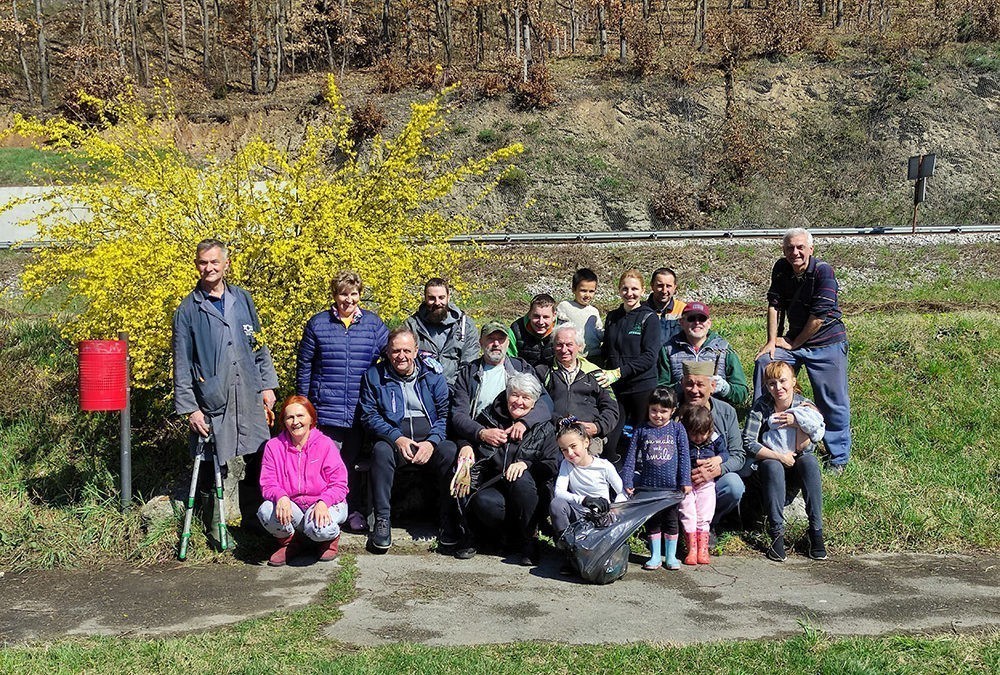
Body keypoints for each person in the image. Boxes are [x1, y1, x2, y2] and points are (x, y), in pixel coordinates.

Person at [173, 238, 278, 545]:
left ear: (226, 264)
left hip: (248, 390)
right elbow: (181, 362)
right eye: (203, 262)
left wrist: (268, 385)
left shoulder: (242, 299)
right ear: (197, 265)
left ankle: (255, 521)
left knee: (258, 456)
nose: (209, 268)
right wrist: (190, 408)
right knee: (208, 462)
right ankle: (213, 528)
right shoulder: (188, 309)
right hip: (211, 398)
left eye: (214, 262)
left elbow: (258, 344)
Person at [297, 271, 388, 532]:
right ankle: (319, 511)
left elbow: (390, 353)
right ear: (334, 295)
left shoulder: (372, 324)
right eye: (343, 294)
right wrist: (303, 405)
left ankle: (353, 510)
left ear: (360, 295)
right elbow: (305, 364)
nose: (348, 300)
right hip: (326, 409)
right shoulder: (318, 324)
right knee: (326, 464)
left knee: (353, 463)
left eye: (353, 294)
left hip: (360, 409)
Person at [754, 227, 851, 473]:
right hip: (794, 341)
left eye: (799, 247)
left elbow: (818, 317)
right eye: (789, 248)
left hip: (826, 343)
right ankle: (760, 437)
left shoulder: (823, 272)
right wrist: (772, 340)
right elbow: (774, 304)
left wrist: (794, 343)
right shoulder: (781, 268)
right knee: (766, 363)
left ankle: (837, 456)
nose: (794, 252)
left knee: (832, 400)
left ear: (810, 249)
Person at [359, 327, 459, 552]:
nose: (401, 356)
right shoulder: (374, 376)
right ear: (387, 351)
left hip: (428, 439)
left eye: (406, 350)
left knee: (450, 450)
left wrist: (432, 442)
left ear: (416, 351)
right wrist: (397, 438)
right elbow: (369, 415)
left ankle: (448, 519)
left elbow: (444, 414)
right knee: (380, 452)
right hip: (394, 439)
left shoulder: (432, 375)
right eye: (395, 351)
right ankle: (383, 521)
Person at [453, 373, 560, 565]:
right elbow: (465, 433)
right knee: (482, 501)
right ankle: (498, 537)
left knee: (519, 477)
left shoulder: (545, 427)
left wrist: (526, 464)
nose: (518, 401)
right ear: (507, 395)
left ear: (535, 402)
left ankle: (529, 540)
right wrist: (465, 445)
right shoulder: (488, 417)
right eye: (515, 395)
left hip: (530, 495)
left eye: (525, 397)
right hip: (496, 488)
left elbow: (551, 465)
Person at [743, 361, 828, 562]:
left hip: (796, 462)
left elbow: (807, 446)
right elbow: (748, 441)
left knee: (810, 462)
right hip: (769, 463)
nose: (778, 388)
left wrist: (797, 423)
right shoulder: (761, 405)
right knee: (772, 465)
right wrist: (779, 456)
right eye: (772, 383)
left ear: (793, 381)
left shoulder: (805, 406)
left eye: (782, 381)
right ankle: (776, 535)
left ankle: (816, 532)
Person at [257, 396, 348, 566]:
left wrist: (323, 502)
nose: (295, 422)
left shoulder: (325, 444)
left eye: (300, 416)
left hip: (324, 503)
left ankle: (329, 539)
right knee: (266, 511)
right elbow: (267, 483)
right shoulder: (273, 446)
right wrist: (281, 496)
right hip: (293, 505)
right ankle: (290, 543)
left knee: (320, 529)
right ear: (284, 421)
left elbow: (340, 484)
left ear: (311, 419)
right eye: (290, 417)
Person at [450, 321, 552, 451]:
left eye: (501, 339)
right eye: (491, 339)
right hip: (480, 438)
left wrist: (524, 423)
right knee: (447, 451)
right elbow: (459, 414)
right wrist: (481, 433)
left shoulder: (521, 368)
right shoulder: (468, 373)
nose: (496, 344)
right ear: (481, 342)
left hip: (516, 439)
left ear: (508, 343)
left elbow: (545, 401)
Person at [620, 387, 691, 571]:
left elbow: (684, 457)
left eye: (663, 411)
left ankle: (671, 556)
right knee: (653, 522)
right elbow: (630, 458)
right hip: (648, 488)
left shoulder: (677, 429)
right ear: (648, 408)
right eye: (654, 410)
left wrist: (685, 481)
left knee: (671, 521)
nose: (658, 415)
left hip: (671, 489)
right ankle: (654, 556)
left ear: (672, 410)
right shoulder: (641, 429)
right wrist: (627, 480)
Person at [679, 361, 747, 545]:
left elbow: (738, 455)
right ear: (681, 384)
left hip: (712, 482)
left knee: (734, 485)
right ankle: (678, 527)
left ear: (713, 386)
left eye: (700, 384)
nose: (694, 390)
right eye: (689, 383)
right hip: (681, 481)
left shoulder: (726, 412)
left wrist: (718, 468)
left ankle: (708, 525)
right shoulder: (672, 410)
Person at [599, 269, 661, 462]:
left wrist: (619, 372)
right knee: (611, 443)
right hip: (618, 388)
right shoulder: (612, 317)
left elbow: (650, 356)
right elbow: (607, 350)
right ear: (619, 290)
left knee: (644, 439)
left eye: (634, 289)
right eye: (625, 289)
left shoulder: (649, 318)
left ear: (643, 291)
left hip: (642, 386)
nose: (629, 293)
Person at [549, 420, 626, 575]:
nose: (570, 453)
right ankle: (570, 555)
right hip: (578, 516)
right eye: (564, 450)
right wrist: (583, 500)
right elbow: (559, 492)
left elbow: (622, 491)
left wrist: (614, 508)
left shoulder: (604, 466)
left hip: (600, 517)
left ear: (585, 442)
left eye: (573, 446)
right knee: (557, 504)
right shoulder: (567, 464)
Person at [534, 324, 619, 456]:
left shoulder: (595, 374)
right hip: (553, 436)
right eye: (559, 344)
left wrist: (597, 427)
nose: (564, 350)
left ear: (580, 347)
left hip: (588, 439)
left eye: (569, 344)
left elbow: (611, 408)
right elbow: (536, 405)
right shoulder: (543, 372)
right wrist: (557, 421)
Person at [658, 301, 749, 407]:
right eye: (691, 318)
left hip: (715, 412)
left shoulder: (724, 349)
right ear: (681, 322)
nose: (697, 323)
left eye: (702, 319)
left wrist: (725, 388)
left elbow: (742, 393)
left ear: (709, 323)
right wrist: (681, 387)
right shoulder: (667, 350)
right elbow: (660, 390)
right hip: (680, 411)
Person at [403, 277, 479, 387]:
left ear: (448, 297)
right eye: (432, 298)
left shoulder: (465, 325)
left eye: (441, 297)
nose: (437, 302)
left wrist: (453, 386)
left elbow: (469, 363)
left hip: (457, 387)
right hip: (421, 387)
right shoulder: (412, 325)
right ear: (425, 298)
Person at [677, 404, 728, 566]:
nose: (698, 438)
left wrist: (718, 459)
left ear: (709, 429)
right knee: (687, 511)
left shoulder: (714, 438)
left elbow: (726, 453)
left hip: (706, 483)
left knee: (704, 512)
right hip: (687, 483)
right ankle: (691, 548)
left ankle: (703, 548)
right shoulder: (683, 437)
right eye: (694, 434)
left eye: (703, 434)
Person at [555, 268, 604, 362]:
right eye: (583, 290)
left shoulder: (594, 311)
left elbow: (599, 333)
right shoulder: (565, 306)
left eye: (591, 291)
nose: (587, 295)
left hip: (593, 356)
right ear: (574, 289)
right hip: (572, 356)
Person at [508, 293, 558, 368]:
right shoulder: (516, 330)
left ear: (554, 316)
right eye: (536, 316)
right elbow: (509, 361)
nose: (541, 322)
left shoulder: (564, 330)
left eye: (545, 317)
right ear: (529, 314)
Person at [644, 267, 686, 346]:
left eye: (668, 286)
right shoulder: (641, 310)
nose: (664, 291)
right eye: (660, 285)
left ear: (675, 287)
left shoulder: (683, 310)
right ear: (652, 286)